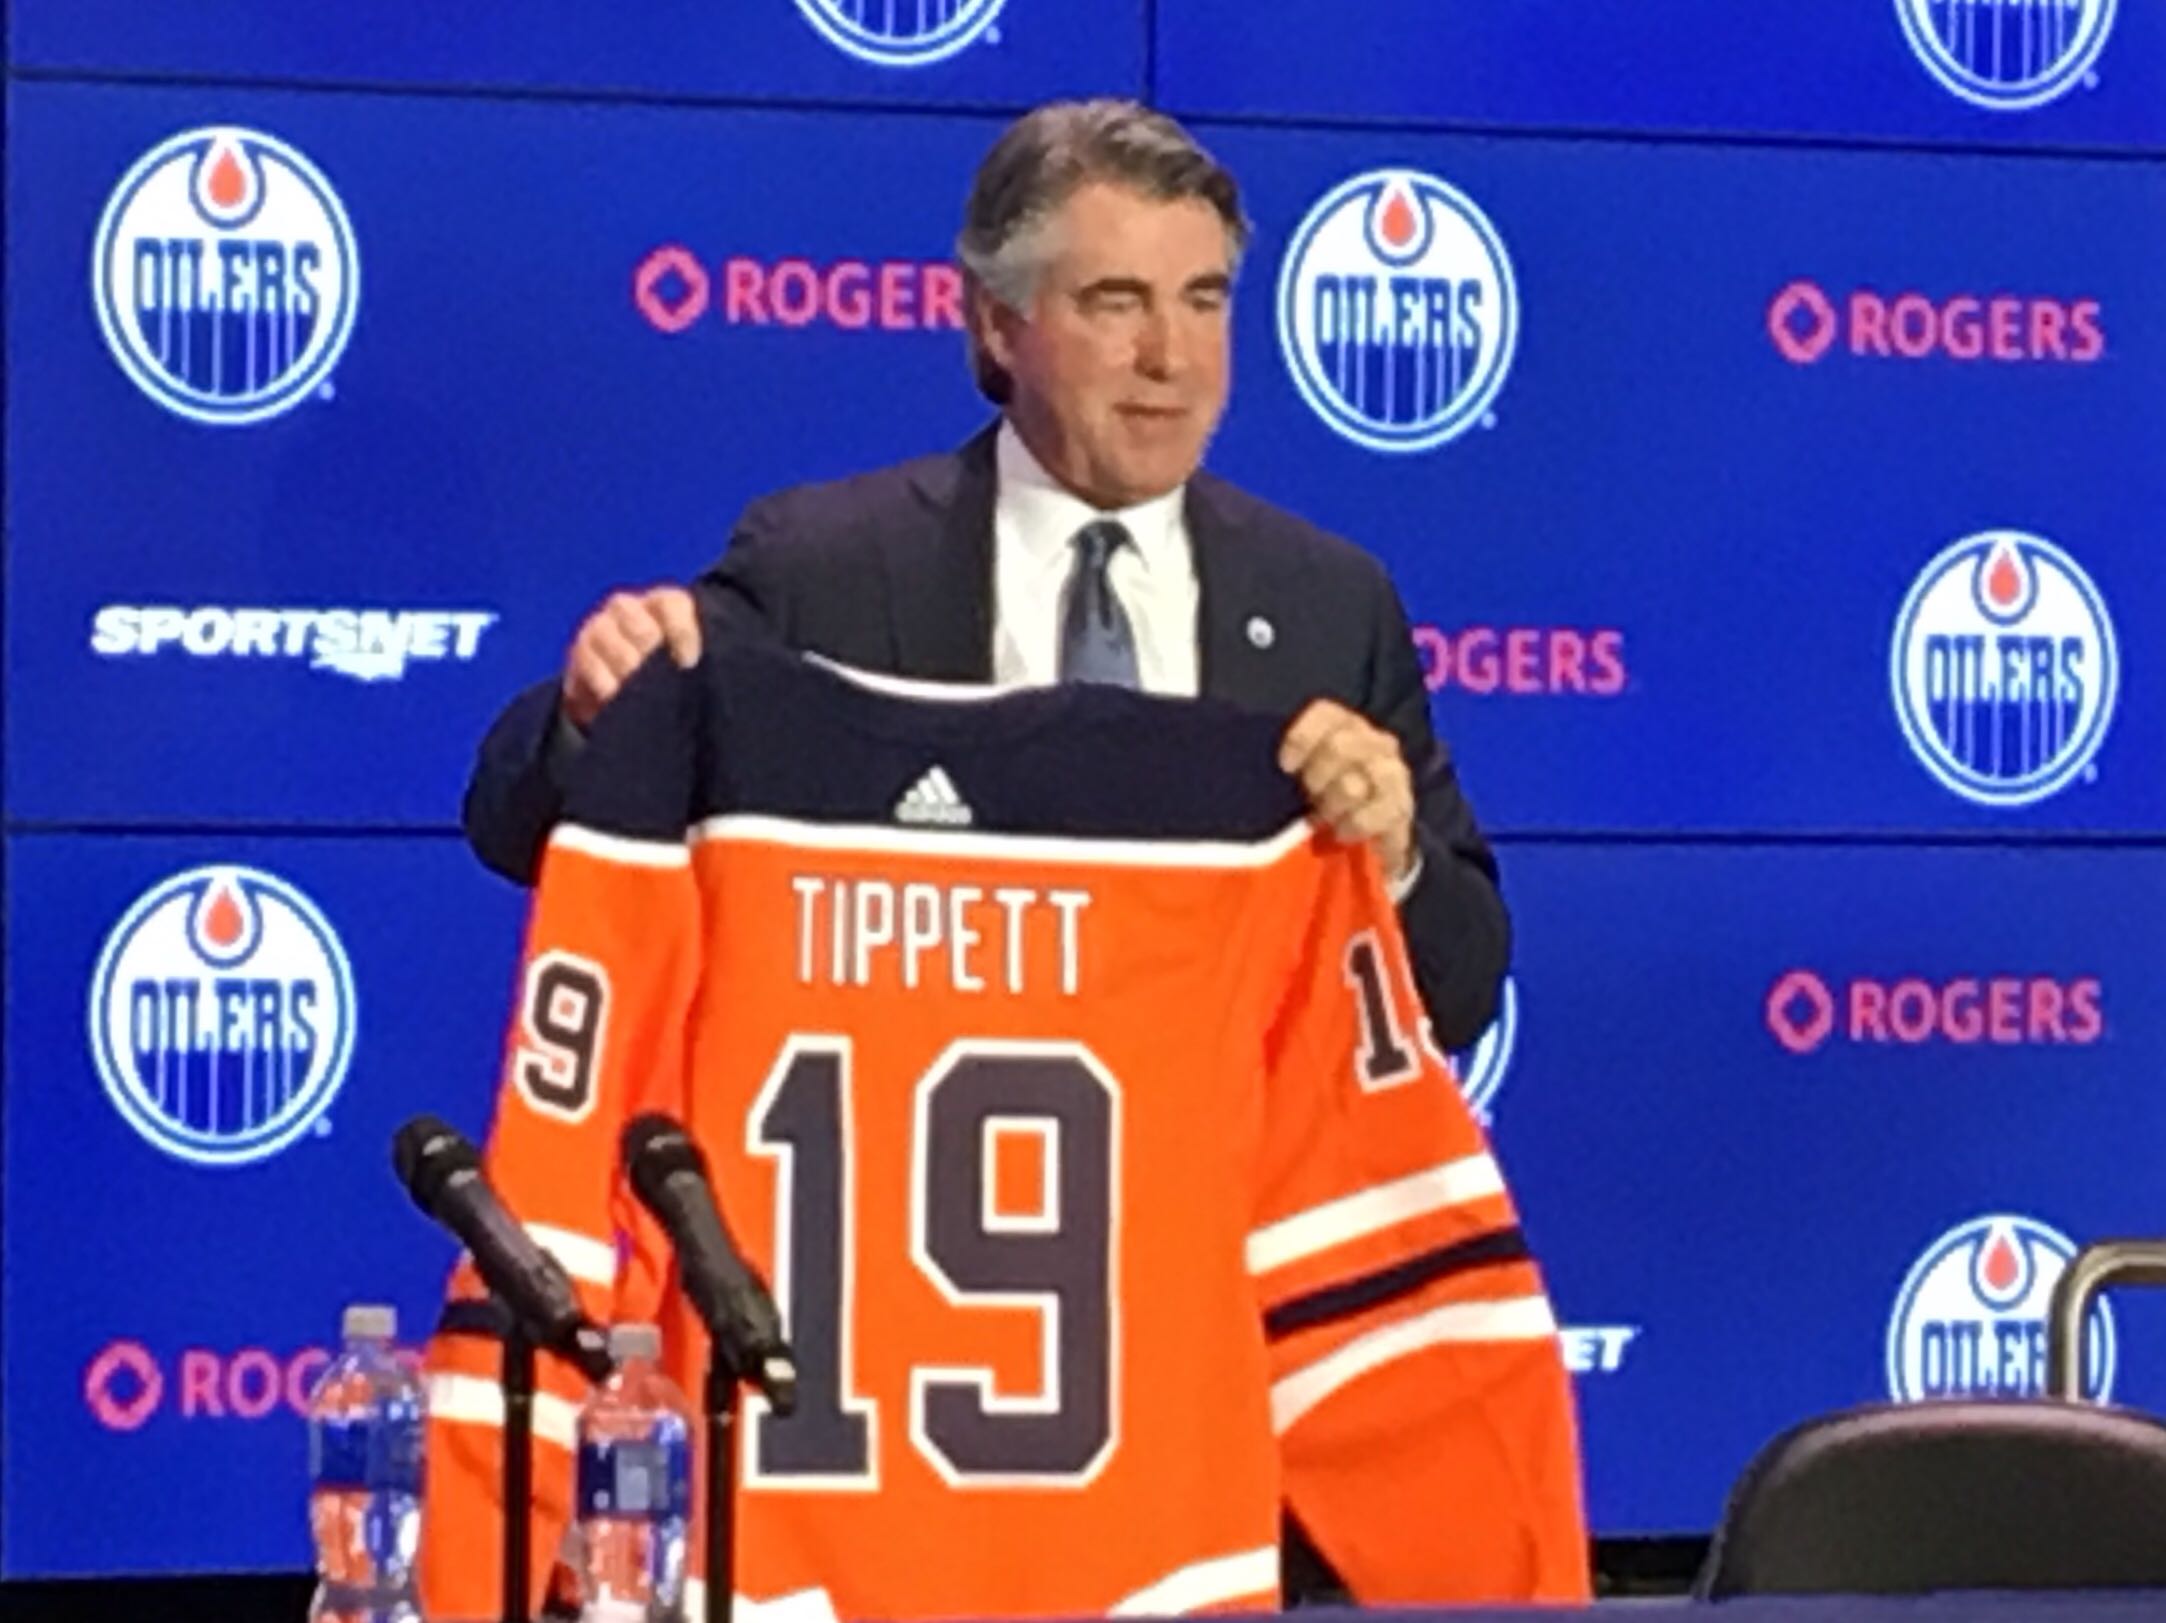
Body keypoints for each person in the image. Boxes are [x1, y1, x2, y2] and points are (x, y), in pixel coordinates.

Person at [463, 96, 1508, 1051]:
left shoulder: (1328, 603)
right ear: (998, 324)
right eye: (1116, 302)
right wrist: (595, 711)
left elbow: (1460, 994)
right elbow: (516, 824)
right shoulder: (831, 566)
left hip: (1229, 1185)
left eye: (1203, 300)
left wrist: (1394, 862)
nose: (1172, 356)